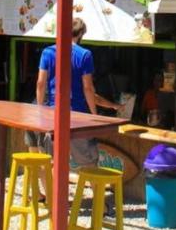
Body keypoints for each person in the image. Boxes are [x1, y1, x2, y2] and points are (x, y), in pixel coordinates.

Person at [27, 18, 120, 166]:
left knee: (52, 161)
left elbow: (40, 83)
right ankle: (93, 188)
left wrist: (40, 109)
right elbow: (88, 88)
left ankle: (52, 190)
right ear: (81, 33)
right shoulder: (85, 55)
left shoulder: (47, 52)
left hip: (52, 114)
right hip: (77, 115)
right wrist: (94, 113)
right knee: (88, 162)